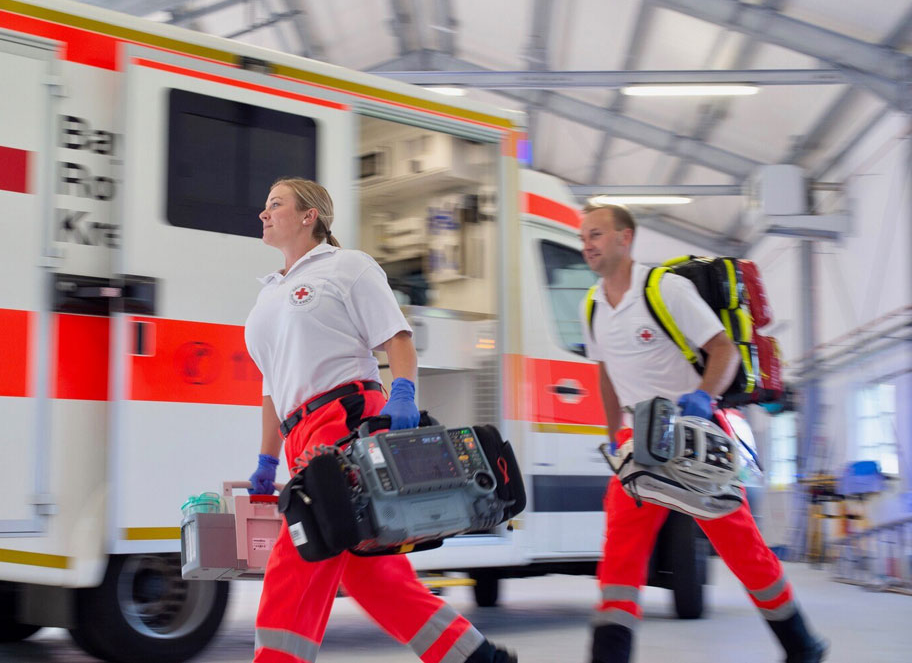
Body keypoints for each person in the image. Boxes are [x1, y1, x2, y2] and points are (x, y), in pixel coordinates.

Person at [244, 177, 516, 663]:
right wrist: (267, 460)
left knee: (297, 559)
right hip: (299, 436)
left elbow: (397, 340)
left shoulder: (346, 267)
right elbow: (272, 388)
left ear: (310, 216)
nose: (263, 213)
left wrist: (404, 395)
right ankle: (478, 659)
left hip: (343, 422)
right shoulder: (267, 296)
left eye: (275, 204)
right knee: (372, 574)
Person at [578, 204, 827, 663]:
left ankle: (802, 645)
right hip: (637, 446)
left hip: (692, 439)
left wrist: (704, 399)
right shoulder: (591, 303)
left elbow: (723, 350)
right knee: (619, 558)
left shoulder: (664, 289)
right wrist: (614, 435)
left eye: (596, 234)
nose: (587, 244)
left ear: (624, 238)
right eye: (583, 237)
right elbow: (606, 374)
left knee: (742, 549)